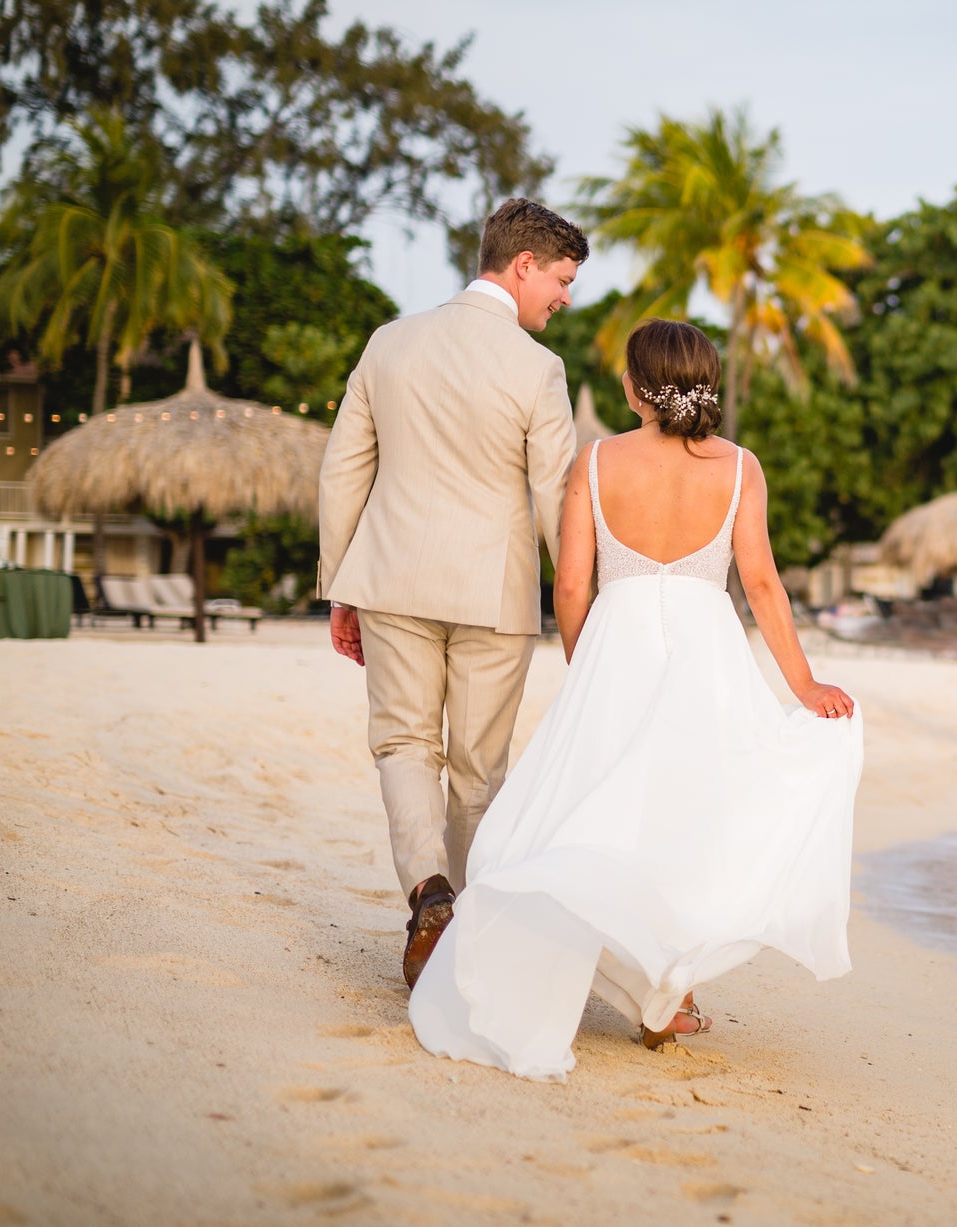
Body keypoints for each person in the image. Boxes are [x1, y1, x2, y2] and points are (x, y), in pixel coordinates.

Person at [408, 319, 863, 1081]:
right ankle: (669, 995)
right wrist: (805, 685)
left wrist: (586, 663)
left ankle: (641, 982)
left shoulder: (595, 461)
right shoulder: (741, 467)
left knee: (595, 809)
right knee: (688, 813)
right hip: (707, 652)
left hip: (616, 646)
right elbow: (760, 583)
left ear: (633, 387)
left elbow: (571, 584)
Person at [318, 198, 585, 987]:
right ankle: (466, 935)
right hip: (494, 594)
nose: (565, 298)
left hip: (389, 577)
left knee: (403, 744)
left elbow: (343, 469)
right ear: (523, 263)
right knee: (478, 772)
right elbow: (555, 500)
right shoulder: (538, 369)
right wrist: (580, 603)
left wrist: (341, 584)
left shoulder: (389, 342)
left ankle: (427, 892)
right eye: (562, 279)